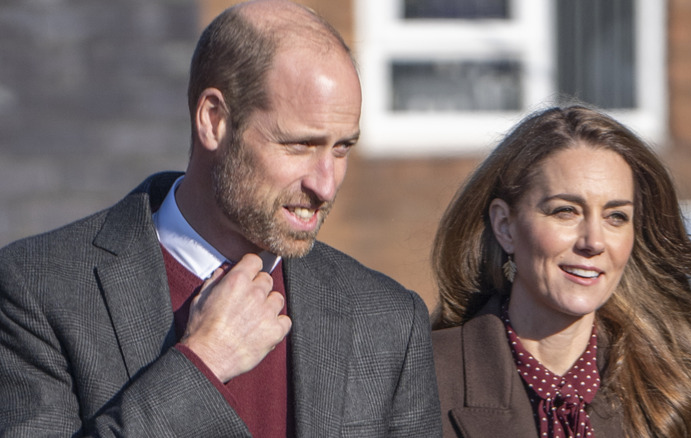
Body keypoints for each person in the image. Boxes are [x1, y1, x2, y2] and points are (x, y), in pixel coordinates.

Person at [0, 1, 441, 436]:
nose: (326, 185)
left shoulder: (387, 321)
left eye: (342, 148)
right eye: (300, 146)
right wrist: (203, 362)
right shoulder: (37, 291)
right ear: (214, 120)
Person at [431, 105, 691, 438]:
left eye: (616, 217)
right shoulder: (423, 377)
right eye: (566, 211)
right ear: (505, 225)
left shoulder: (674, 390)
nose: (594, 241)